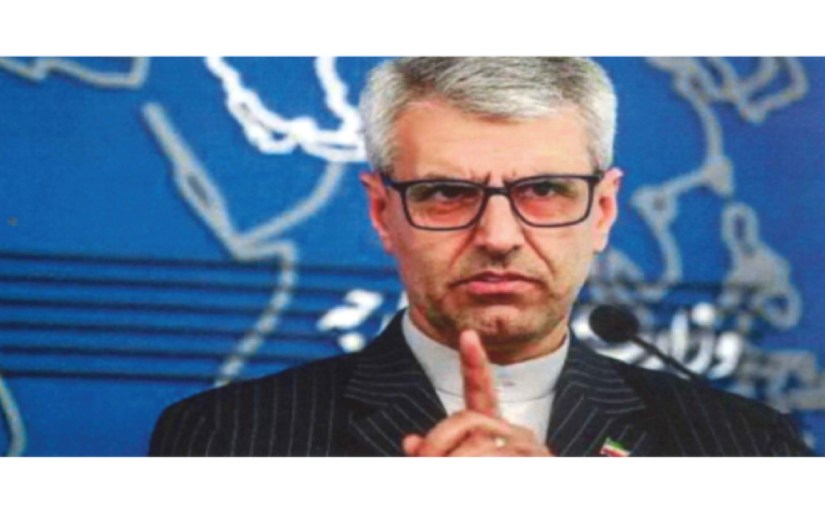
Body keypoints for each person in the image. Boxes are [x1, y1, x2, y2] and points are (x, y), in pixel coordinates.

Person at [149, 57, 810, 457]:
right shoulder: (225, 439)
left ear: (603, 211)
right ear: (381, 213)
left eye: (544, 190)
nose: (498, 235)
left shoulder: (746, 448)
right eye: (446, 193)